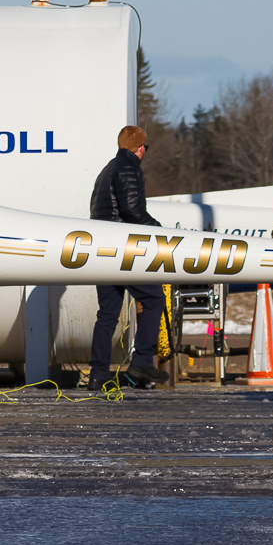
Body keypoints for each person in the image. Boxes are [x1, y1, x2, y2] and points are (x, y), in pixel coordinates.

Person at [87, 126, 169, 390]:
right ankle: (142, 362)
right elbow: (132, 209)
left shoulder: (106, 170)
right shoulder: (129, 167)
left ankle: (98, 374)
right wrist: (157, 228)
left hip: (102, 248)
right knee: (154, 299)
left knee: (107, 315)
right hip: (123, 249)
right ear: (141, 148)